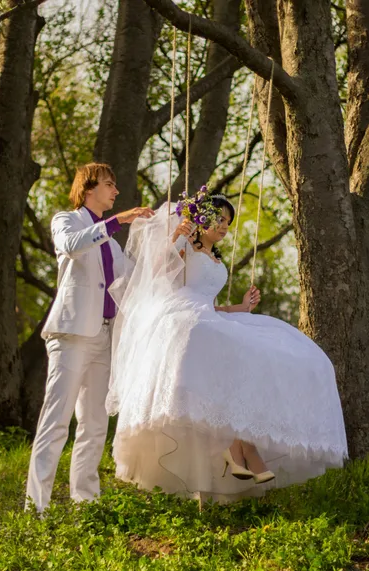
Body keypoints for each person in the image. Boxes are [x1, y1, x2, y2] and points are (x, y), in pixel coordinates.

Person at [106, 195, 348, 503]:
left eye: (228, 222)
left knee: (273, 350)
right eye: (219, 219)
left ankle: (242, 445)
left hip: (207, 316)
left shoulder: (216, 258)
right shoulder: (186, 248)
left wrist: (242, 307)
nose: (224, 226)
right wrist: (176, 236)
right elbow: (156, 272)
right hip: (183, 317)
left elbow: (210, 305)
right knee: (212, 342)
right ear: (202, 219)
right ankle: (242, 447)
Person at [26, 162, 153, 513]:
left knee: (95, 424)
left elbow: (133, 282)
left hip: (105, 338)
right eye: (109, 185)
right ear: (88, 188)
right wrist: (119, 220)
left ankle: (86, 502)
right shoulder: (66, 220)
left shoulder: (112, 246)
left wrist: (170, 245)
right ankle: (36, 506)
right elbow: (71, 245)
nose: (115, 192)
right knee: (56, 420)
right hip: (71, 335)